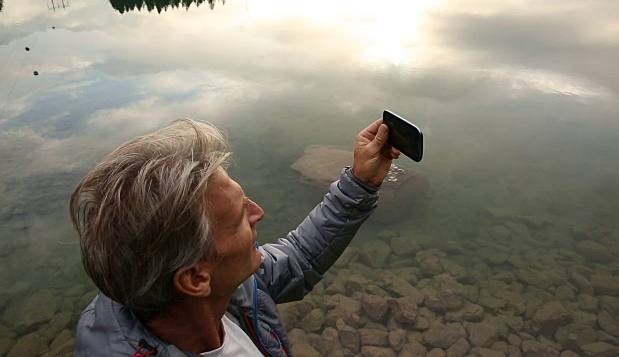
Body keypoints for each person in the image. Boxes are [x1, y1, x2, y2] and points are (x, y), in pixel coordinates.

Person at [71, 118, 400, 356]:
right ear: (196, 278)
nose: (258, 213)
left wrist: (360, 183)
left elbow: (299, 259)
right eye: (240, 217)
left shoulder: (223, 290)